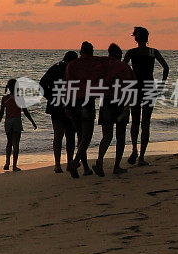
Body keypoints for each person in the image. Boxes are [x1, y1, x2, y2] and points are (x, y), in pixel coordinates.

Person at [124, 26, 169, 166]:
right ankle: (141, 156)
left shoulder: (132, 52)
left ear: (137, 38)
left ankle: (134, 150)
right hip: (149, 87)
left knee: (135, 121)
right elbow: (165, 67)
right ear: (147, 38)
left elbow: (122, 68)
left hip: (136, 87)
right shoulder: (153, 52)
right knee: (146, 123)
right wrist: (162, 84)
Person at [64, 41, 106, 178]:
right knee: (86, 137)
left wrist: (67, 105)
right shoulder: (95, 63)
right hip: (87, 101)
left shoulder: (72, 65)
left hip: (73, 101)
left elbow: (68, 85)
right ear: (92, 51)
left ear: (81, 51)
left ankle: (83, 167)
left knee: (80, 136)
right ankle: (75, 162)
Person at [93, 43, 135, 177]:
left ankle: (100, 160)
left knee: (107, 135)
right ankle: (116, 166)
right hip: (121, 102)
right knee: (120, 135)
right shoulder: (125, 67)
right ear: (119, 54)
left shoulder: (102, 65)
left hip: (106, 101)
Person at [39, 51, 78, 173]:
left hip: (56, 105)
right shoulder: (72, 70)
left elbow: (42, 84)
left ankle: (58, 164)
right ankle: (69, 161)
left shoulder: (55, 68)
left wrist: (50, 97)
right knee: (70, 135)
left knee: (58, 135)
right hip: (69, 105)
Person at [0, 78, 37, 172]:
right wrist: (32, 122)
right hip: (16, 121)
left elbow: (1, 113)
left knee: (9, 142)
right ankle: (14, 166)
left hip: (8, 121)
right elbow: (25, 112)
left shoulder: (4, 98)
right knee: (16, 144)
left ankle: (7, 163)